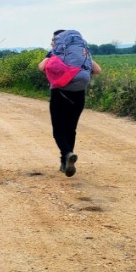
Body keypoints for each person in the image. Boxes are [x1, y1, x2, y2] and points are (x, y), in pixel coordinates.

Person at [38, 30, 101, 177]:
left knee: (58, 129)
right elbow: (97, 70)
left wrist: (52, 61)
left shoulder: (54, 54)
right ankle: (65, 162)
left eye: (52, 40)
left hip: (59, 94)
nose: (51, 43)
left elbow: (41, 67)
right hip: (79, 95)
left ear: (58, 41)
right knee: (71, 128)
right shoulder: (83, 54)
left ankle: (66, 154)